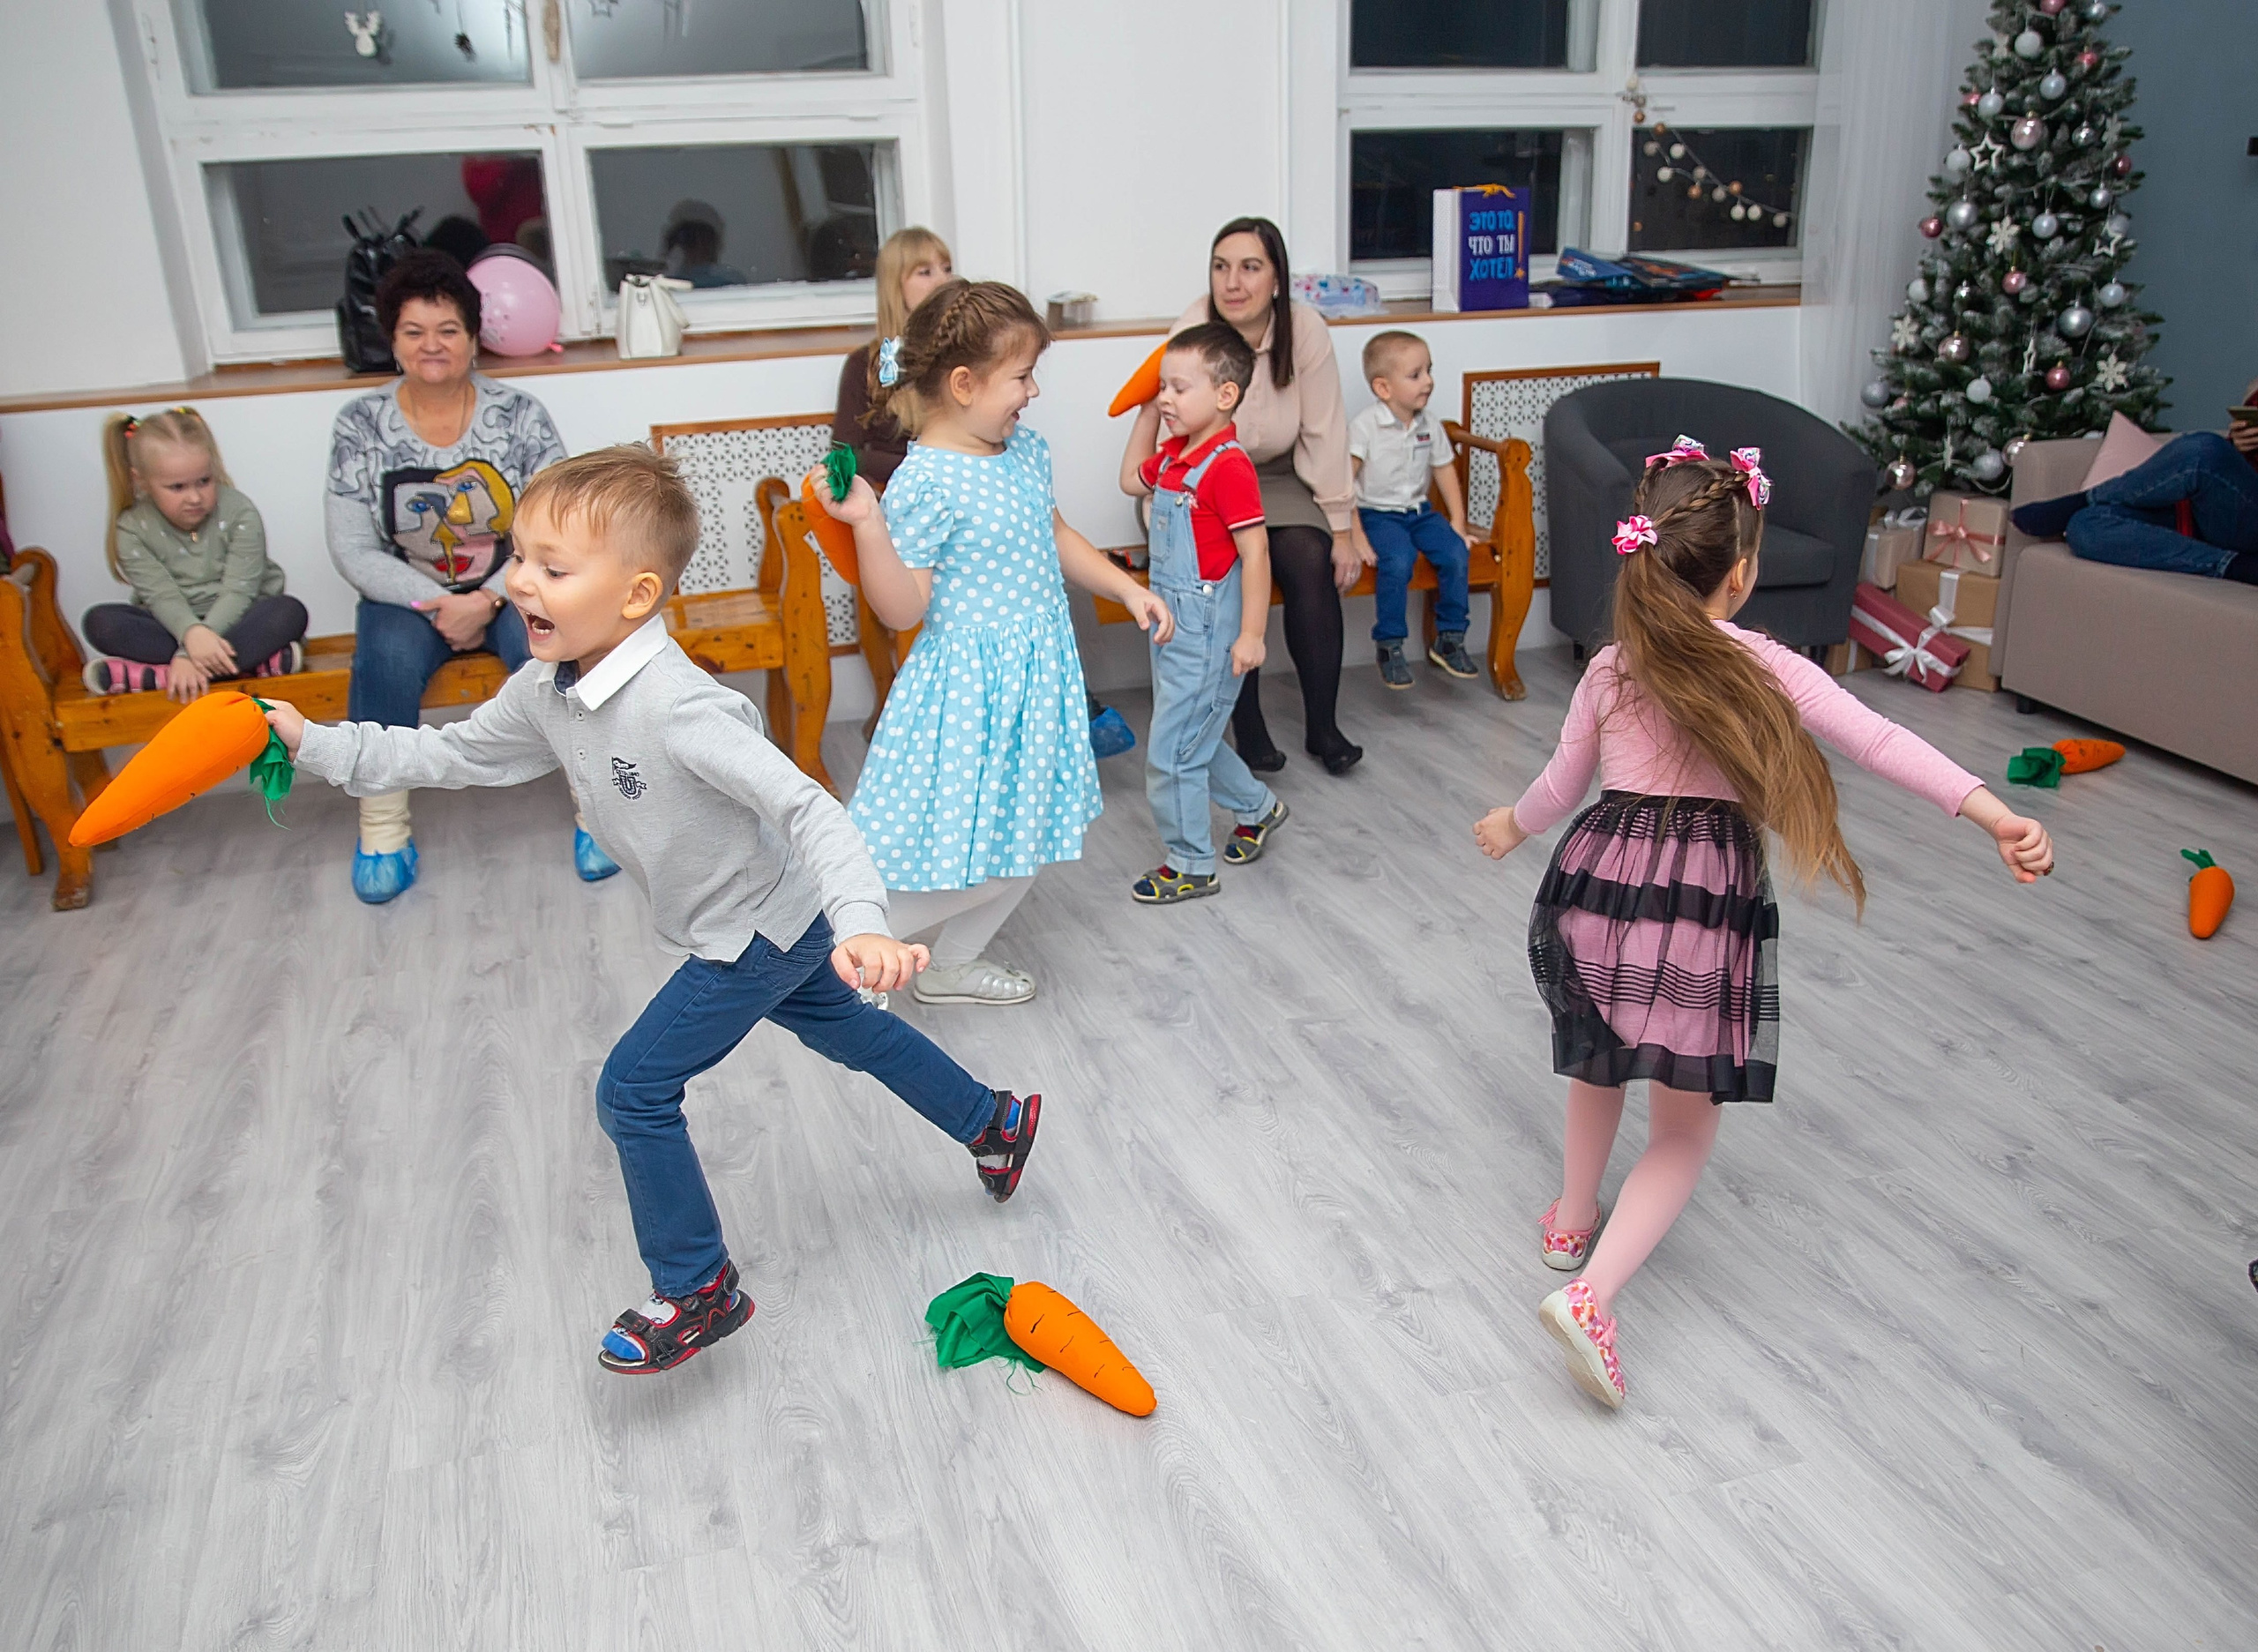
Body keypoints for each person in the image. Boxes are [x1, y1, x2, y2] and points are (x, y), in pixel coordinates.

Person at [265, 446, 1043, 1375]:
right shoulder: (545, 689)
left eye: (553, 568)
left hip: (752, 931)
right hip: (771, 920)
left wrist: (867, 921)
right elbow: (457, 755)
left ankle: (699, 1286)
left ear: (634, 597)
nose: (520, 580)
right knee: (852, 1034)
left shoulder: (679, 708)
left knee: (633, 1089)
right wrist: (317, 744)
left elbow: (809, 808)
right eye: (521, 556)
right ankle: (993, 1122)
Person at [1472, 438, 2054, 1411]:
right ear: (1740, 572)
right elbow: (1877, 739)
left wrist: (1510, 823)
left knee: (1598, 1058)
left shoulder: (1611, 668)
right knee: (1683, 1131)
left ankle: (1572, 1216)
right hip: (1700, 907)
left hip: (1597, 888)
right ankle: (1590, 1294)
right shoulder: (1766, 664)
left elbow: (1557, 788)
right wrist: (1991, 811)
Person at [814, 280, 1170, 1005]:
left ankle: (949, 968)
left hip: (1036, 682)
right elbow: (901, 607)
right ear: (964, 383)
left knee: (1028, 841)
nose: (1034, 392)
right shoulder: (927, 481)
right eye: (1022, 376)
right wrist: (867, 526)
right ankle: (848, 950)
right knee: (979, 857)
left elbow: (1057, 532)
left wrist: (1126, 587)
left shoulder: (1023, 451)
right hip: (970, 697)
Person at [324, 248, 609, 903]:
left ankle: (600, 815)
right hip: (407, 595)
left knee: (557, 657)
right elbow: (352, 548)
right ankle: (383, 830)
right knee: (383, 664)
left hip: (516, 583)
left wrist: (484, 598)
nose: (433, 345)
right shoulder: (360, 426)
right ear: (391, 340)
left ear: (474, 339)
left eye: (448, 329)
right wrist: (439, 603)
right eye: (414, 331)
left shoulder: (520, 415)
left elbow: (556, 525)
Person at [1175, 217, 1362, 775]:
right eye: (1220, 267)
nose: (1232, 282)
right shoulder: (1194, 329)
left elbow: (1326, 430)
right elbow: (1178, 436)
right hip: (1204, 476)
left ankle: (1323, 728)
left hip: (1279, 477)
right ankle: (1248, 726)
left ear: (1277, 279)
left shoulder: (1305, 330)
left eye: (1249, 268)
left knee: (1309, 557)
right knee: (1229, 568)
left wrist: (1342, 527)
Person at [1117, 322, 1287, 902]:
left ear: (1225, 396)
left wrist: (1253, 635)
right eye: (1161, 386)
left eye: (1178, 388)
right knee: (1193, 740)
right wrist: (1146, 408)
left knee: (1171, 753)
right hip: (1171, 626)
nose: (1166, 398)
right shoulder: (1172, 457)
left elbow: (1256, 552)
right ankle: (1258, 807)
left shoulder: (1228, 466)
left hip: (1210, 631)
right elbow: (1125, 480)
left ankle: (1190, 861)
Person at [81, 406, 307, 702]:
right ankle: (251, 665)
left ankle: (161, 675)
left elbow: (239, 591)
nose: (195, 497)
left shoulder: (240, 511)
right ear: (142, 481)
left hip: (239, 617)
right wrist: (190, 637)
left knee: (288, 613)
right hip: (171, 625)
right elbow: (162, 597)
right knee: (100, 622)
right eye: (177, 487)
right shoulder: (132, 529)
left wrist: (189, 656)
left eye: (204, 481)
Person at [1349, 331, 1478, 691]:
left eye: (1429, 371)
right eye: (1416, 374)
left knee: (1454, 553)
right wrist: (1356, 535)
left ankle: (1450, 638)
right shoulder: (1365, 427)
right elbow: (1345, 484)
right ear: (1383, 387)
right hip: (1378, 514)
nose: (1429, 381)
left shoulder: (1429, 424)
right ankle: (1389, 645)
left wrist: (1457, 521)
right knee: (1399, 560)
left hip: (1419, 513)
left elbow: (1444, 470)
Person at [2011, 395, 2258, 582]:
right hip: (2215, 515)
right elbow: (2231, 475)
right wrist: (2239, 443)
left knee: (2203, 450)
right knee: (2086, 527)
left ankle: (2086, 498)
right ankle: (2238, 566)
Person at [832, 227, 955, 491]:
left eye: (947, 268)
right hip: (896, 499)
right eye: (925, 272)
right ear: (895, 286)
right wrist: (916, 464)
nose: (944, 281)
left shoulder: (964, 353)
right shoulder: (864, 365)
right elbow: (842, 457)